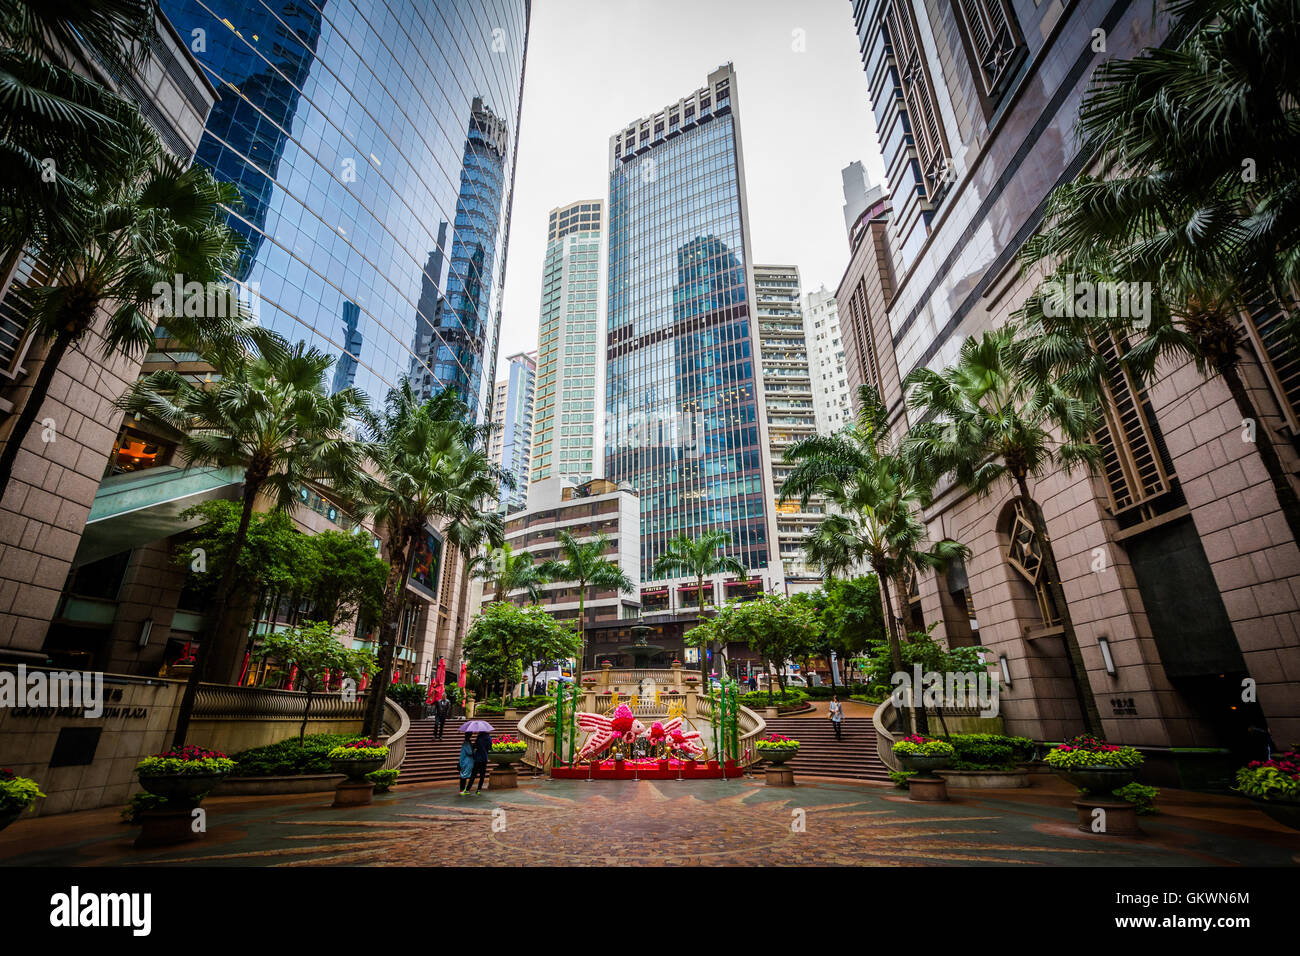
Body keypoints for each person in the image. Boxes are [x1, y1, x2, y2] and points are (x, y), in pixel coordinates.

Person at [468, 730, 491, 794]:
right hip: (484, 758)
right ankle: (479, 790)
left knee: (473, 774)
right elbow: (489, 748)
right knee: (482, 775)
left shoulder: (479, 737)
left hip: (478, 758)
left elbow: (475, 746)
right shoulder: (489, 738)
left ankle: (467, 789)